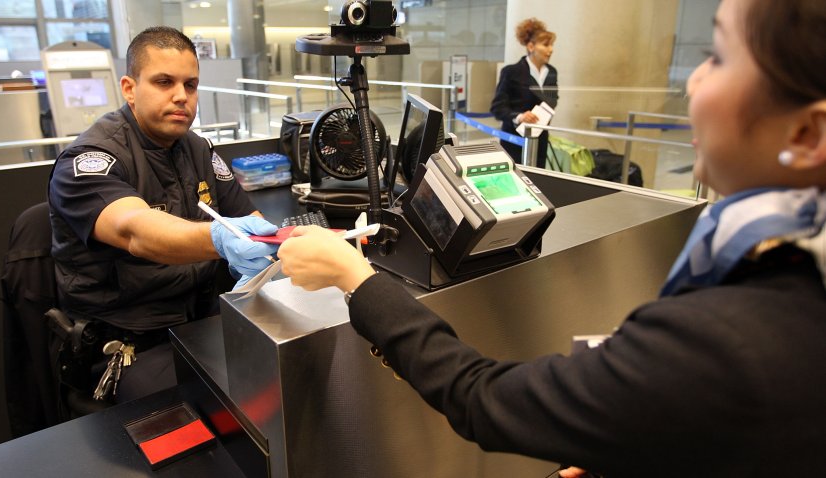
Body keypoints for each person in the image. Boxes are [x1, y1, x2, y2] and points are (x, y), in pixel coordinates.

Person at [277, 0, 826, 475]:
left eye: (719, 56)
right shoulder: (779, 270)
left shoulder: (731, 335)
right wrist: (627, 440)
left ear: (806, 133)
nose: (693, 81)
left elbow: (481, 399)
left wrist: (356, 278)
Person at [48, 26, 278, 404]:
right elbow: (137, 231)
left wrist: (274, 246)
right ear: (129, 88)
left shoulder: (197, 150)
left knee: (284, 370)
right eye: (164, 82)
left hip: (201, 320)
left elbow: (249, 217)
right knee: (224, 406)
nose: (181, 96)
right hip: (130, 343)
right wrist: (221, 238)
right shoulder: (88, 160)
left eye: (191, 85)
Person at [490, 18, 558, 167]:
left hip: (540, 138)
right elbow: (497, 108)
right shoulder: (511, 72)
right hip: (514, 139)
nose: (551, 49)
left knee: (537, 176)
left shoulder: (552, 72)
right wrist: (520, 116)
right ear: (531, 46)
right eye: (546, 45)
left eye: (551, 45)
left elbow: (553, 99)